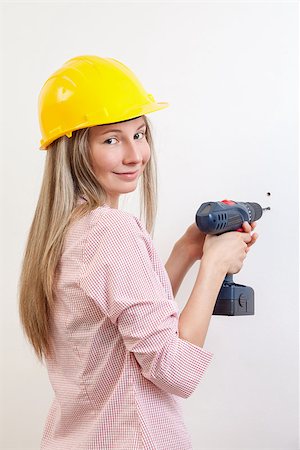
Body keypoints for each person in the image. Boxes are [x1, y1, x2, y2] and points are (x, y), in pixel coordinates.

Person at [18, 55, 258, 450]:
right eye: (111, 139)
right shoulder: (111, 230)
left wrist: (185, 252)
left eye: (140, 133)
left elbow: (121, 324)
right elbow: (175, 370)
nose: (135, 155)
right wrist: (214, 268)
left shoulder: (64, 230)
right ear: (74, 149)